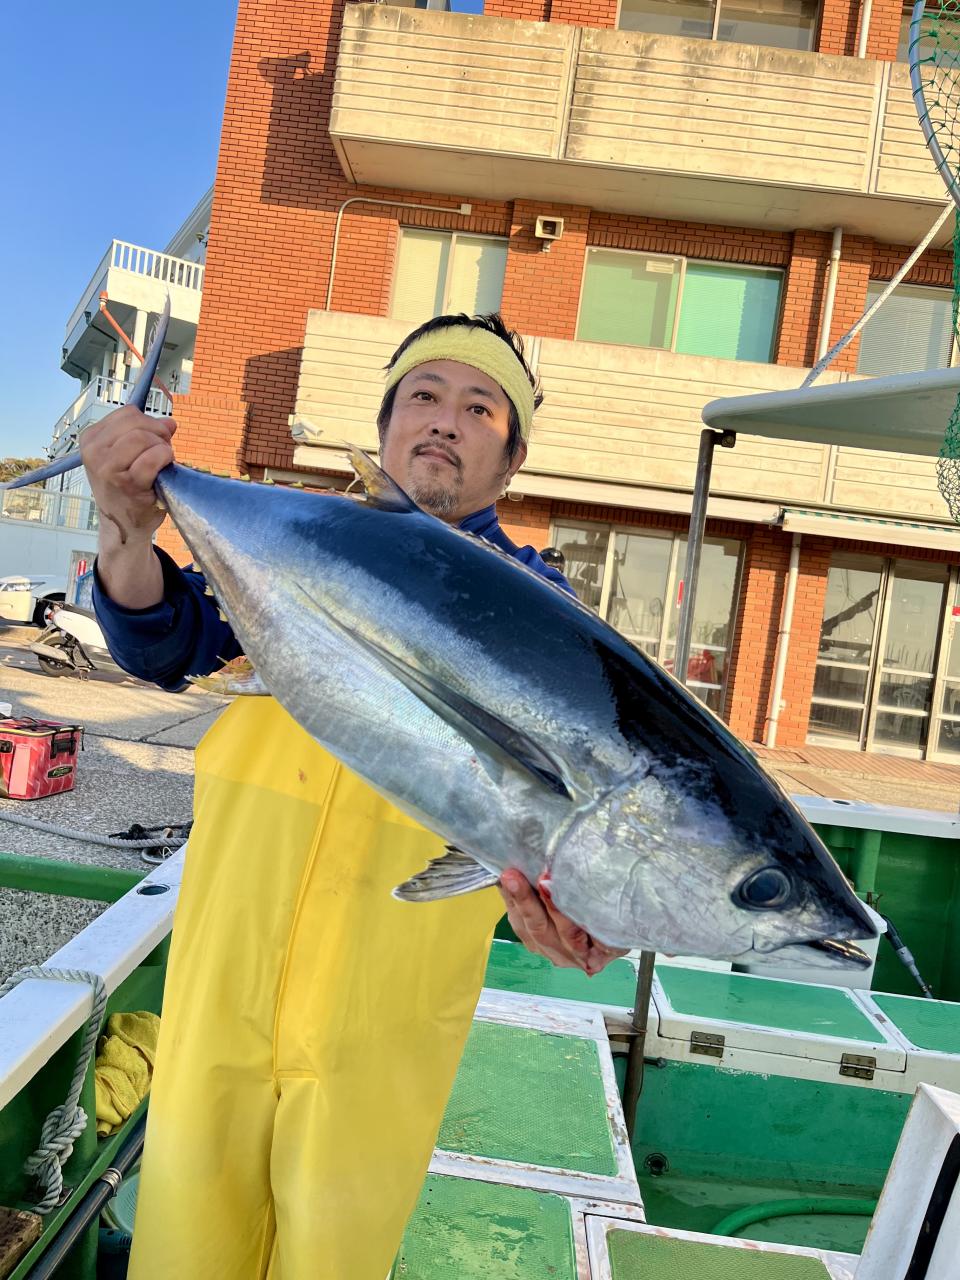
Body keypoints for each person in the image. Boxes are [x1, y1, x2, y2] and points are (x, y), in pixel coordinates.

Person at [83, 312, 626, 1279]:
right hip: (224, 983)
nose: (445, 420)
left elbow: (588, 798)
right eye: (424, 395)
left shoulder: (546, 612)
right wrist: (125, 527)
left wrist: (587, 901)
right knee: (182, 1249)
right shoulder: (291, 539)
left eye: (481, 408)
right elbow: (166, 640)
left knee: (333, 1258)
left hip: (383, 1020)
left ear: (512, 462)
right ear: (384, 427)